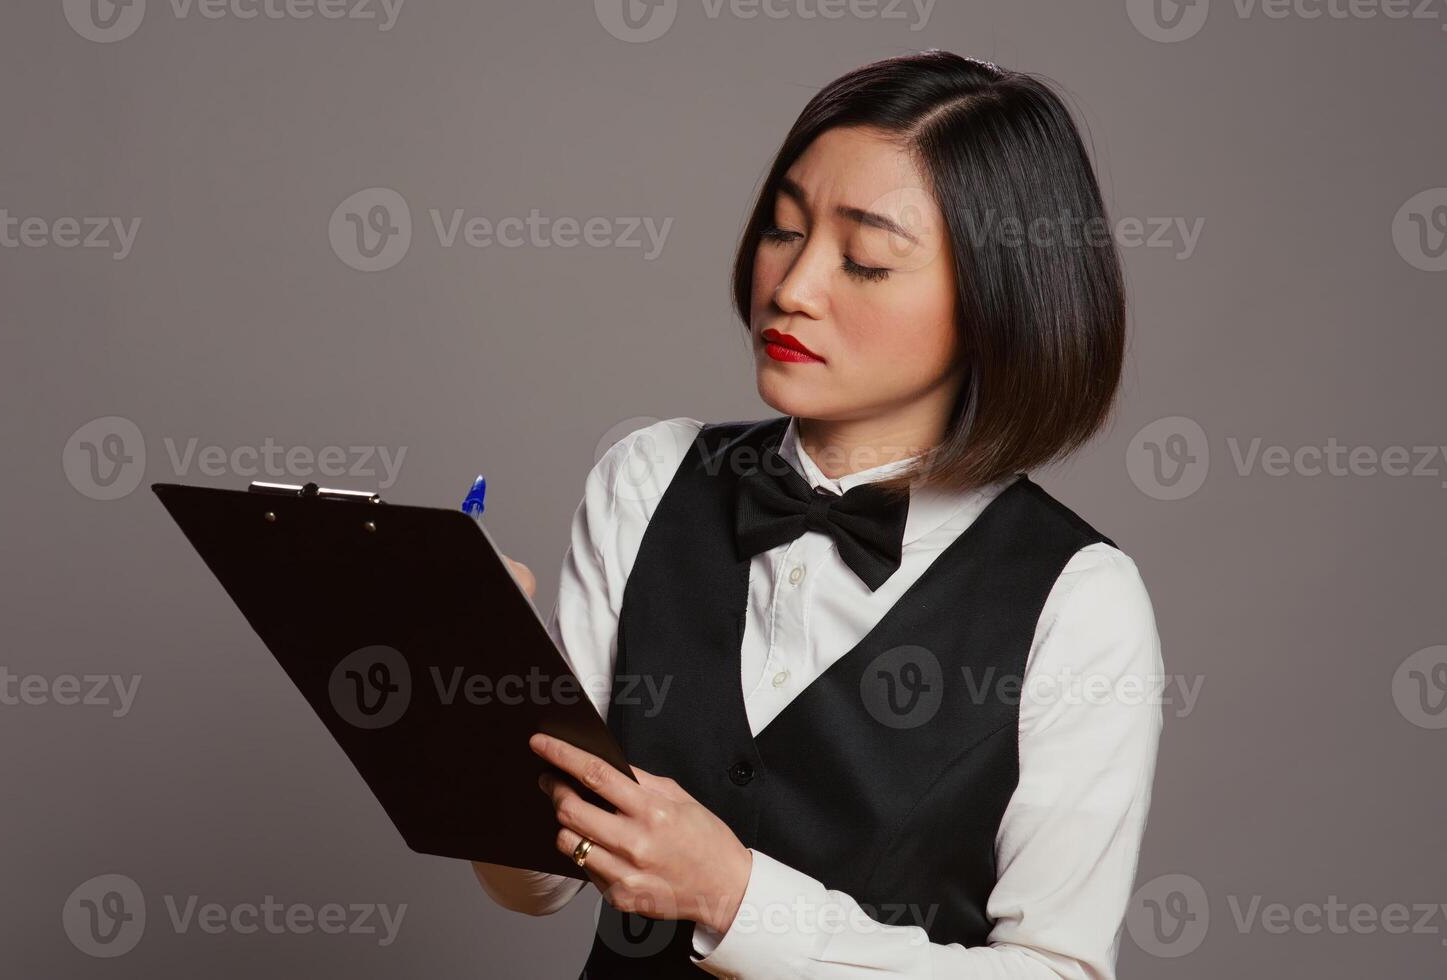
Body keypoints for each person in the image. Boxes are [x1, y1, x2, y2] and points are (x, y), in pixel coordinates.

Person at [473, 49, 1164, 980]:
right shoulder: (647, 478)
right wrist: (489, 695)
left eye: (867, 260)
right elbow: (537, 883)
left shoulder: (1079, 601)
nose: (792, 287)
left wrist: (734, 896)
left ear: (998, 301)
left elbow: (1055, 972)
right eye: (782, 230)